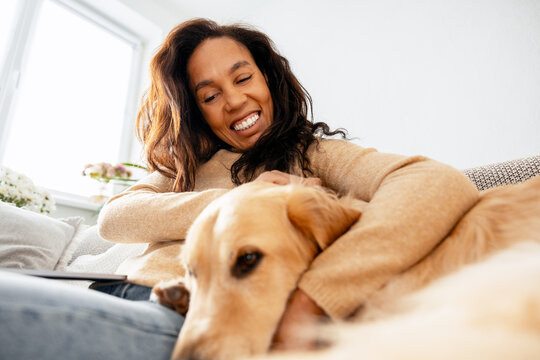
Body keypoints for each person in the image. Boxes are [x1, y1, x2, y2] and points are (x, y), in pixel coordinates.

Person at [0, 18, 479, 359]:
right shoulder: (187, 165)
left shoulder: (312, 154)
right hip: (118, 290)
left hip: (192, 319)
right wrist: (238, 199)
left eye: (243, 77)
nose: (234, 101)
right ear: (197, 111)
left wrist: (315, 297)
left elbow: (436, 182)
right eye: (209, 96)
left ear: (268, 77)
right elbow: (114, 218)